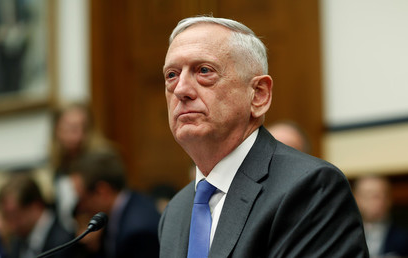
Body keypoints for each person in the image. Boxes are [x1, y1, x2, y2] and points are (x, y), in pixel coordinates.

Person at [158, 16, 369, 257]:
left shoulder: (310, 189)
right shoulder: (175, 212)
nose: (181, 89)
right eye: (172, 75)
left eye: (204, 71)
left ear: (258, 95)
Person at [69, 150, 160, 258]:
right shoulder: (121, 209)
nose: (81, 206)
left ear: (102, 192)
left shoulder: (138, 231)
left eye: (82, 198)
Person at [50, 102, 113, 232]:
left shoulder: (103, 160)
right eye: (70, 128)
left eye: (82, 127)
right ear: (57, 130)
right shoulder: (59, 164)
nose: (76, 135)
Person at [0, 173, 75, 258]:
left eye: (15, 216)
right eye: (6, 217)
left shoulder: (66, 242)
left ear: (35, 207)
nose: (11, 226)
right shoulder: (18, 239)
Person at [353, 175, 408, 257]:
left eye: (379, 195)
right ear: (356, 198)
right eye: (368, 195)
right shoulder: (347, 236)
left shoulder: (406, 239)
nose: (375, 201)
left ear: (389, 200)